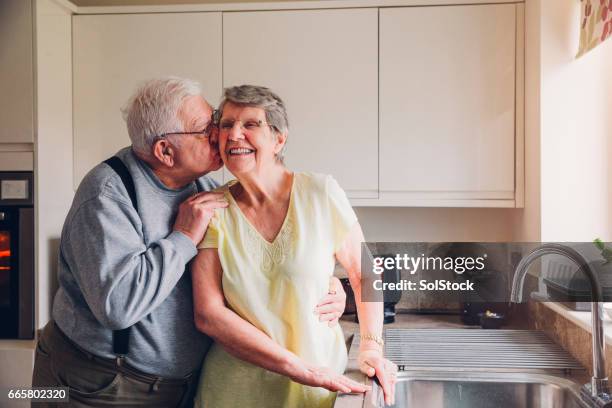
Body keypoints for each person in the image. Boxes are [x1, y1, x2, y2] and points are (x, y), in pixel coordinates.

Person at [31, 77, 350, 407]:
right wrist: (182, 238)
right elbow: (118, 306)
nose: (221, 133)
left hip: (182, 385)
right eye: (205, 127)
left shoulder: (204, 187)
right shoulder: (107, 195)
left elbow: (256, 266)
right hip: (101, 384)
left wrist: (328, 285)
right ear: (165, 151)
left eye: (214, 117)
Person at [192, 85, 397, 408]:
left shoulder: (320, 193)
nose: (234, 134)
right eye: (227, 125)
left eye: (250, 124)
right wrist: (299, 368)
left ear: (279, 139)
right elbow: (209, 315)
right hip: (235, 394)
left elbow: (364, 272)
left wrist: (372, 346)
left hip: (316, 392)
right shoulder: (211, 209)